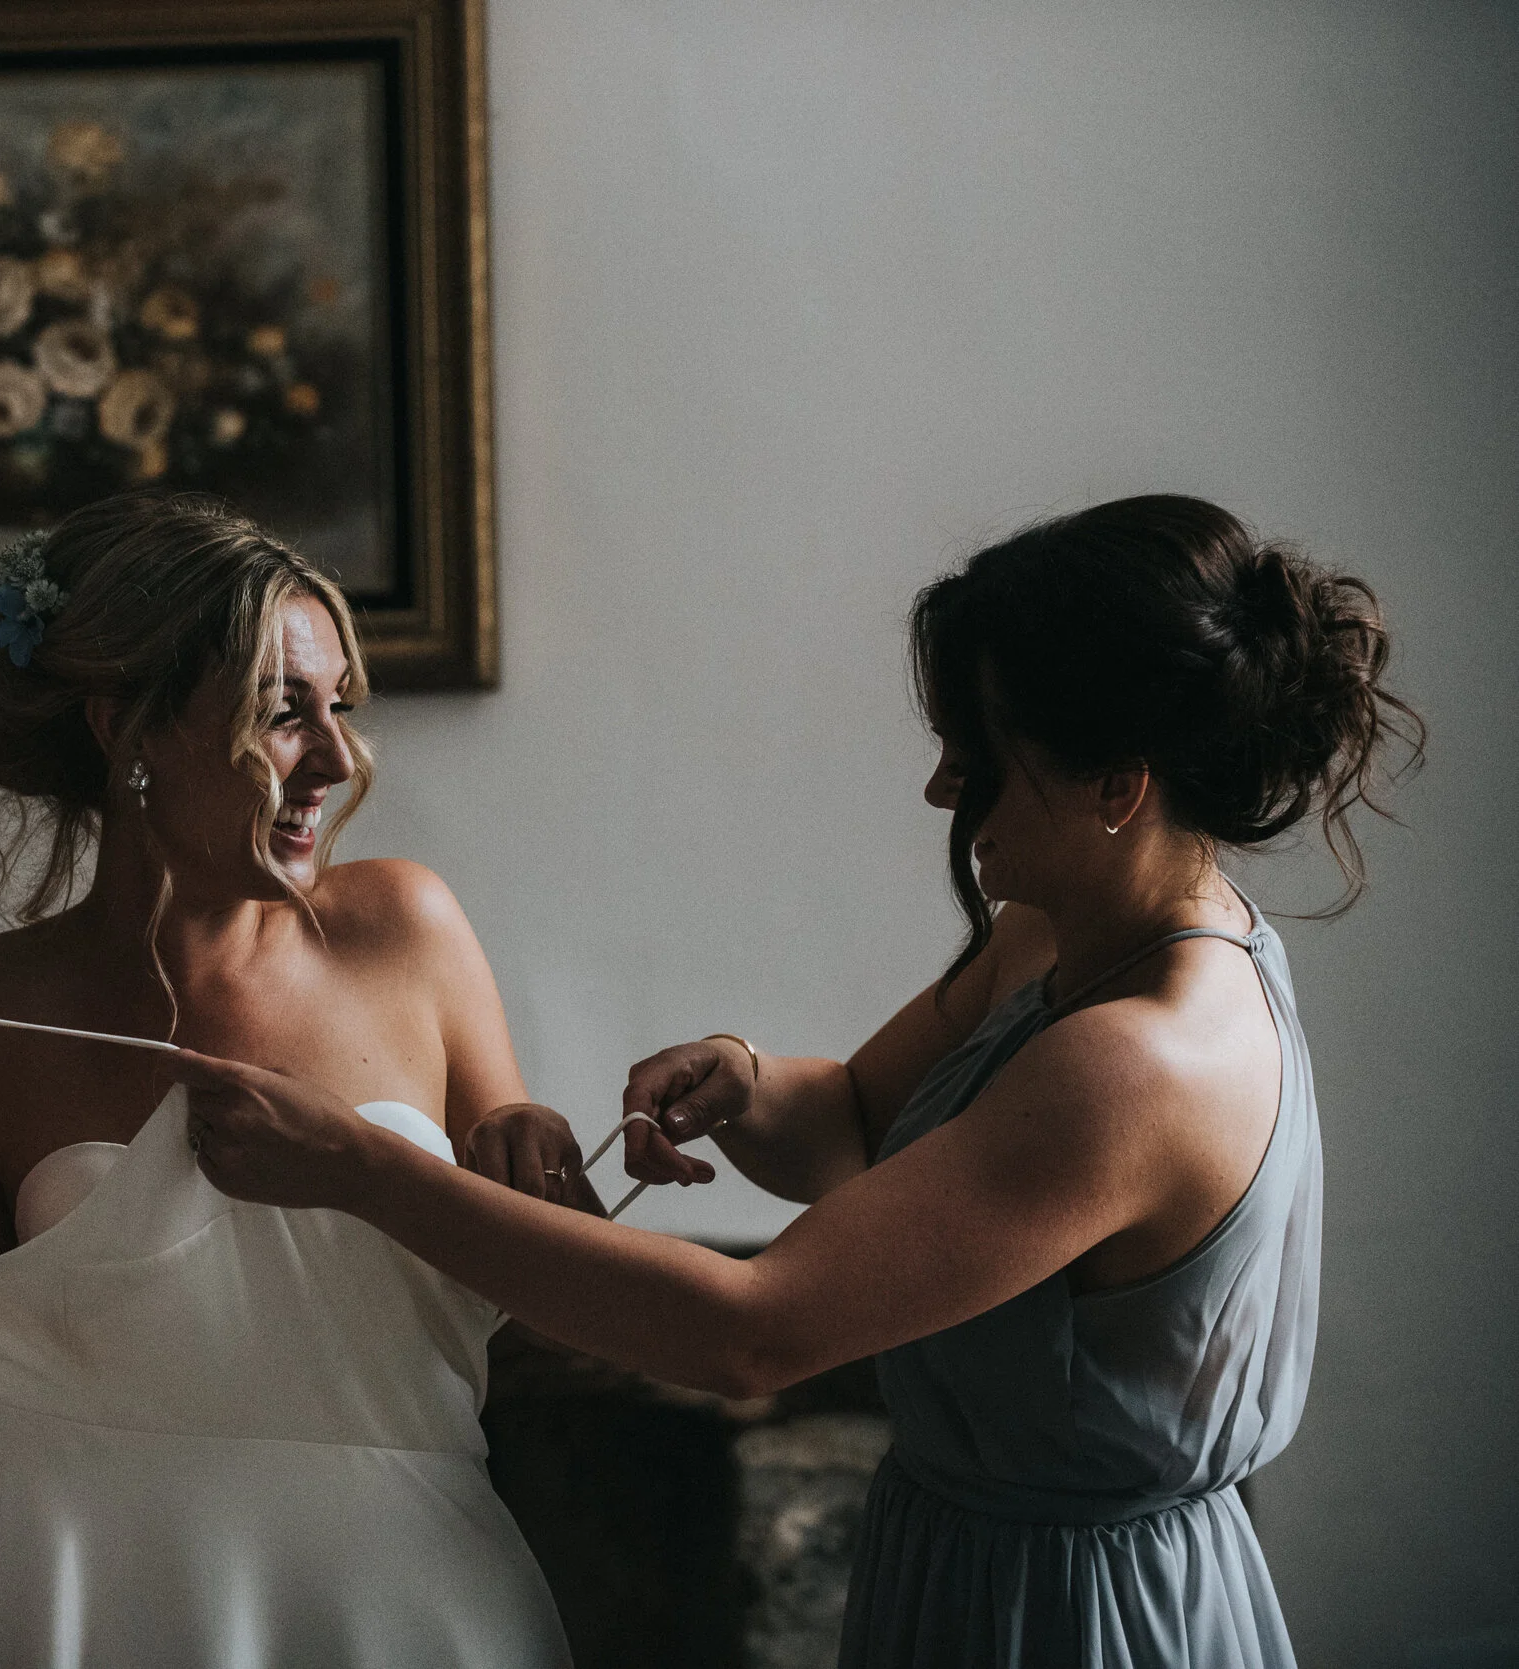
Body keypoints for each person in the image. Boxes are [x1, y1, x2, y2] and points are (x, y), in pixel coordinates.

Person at [164, 495, 1424, 1669]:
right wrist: (748, 1081)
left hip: (1074, 1608)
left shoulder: (1139, 1061)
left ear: (1117, 785)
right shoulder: (1064, 929)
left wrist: (364, 1171)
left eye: (978, 754)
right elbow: (860, 1123)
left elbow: (751, 1331)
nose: (940, 787)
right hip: (948, 1548)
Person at [0, 493, 574, 1667]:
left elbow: (543, 1278)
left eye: (340, 710)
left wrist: (533, 1148)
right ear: (126, 727)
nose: (336, 757)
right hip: (113, 1608)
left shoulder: (410, 928)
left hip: (411, 1603)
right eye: (282, 714)